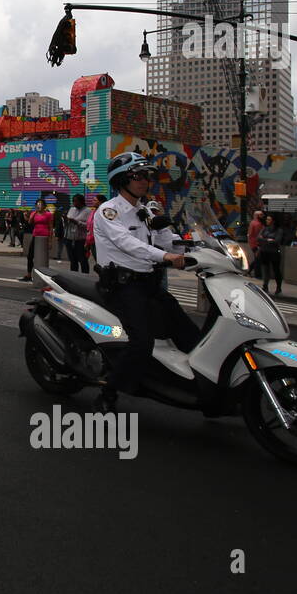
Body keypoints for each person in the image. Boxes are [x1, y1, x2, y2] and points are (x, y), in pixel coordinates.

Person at [92, 153, 199, 411]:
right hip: (123, 286)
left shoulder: (146, 210)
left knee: (189, 332)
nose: (144, 181)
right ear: (121, 180)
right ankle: (109, 391)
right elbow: (128, 244)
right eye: (137, 176)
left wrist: (190, 245)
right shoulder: (108, 211)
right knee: (141, 341)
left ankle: (199, 386)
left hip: (149, 283)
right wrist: (166, 256)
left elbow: (165, 242)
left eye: (146, 176)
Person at [20, 201, 53, 281]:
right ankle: (29, 274)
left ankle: (44, 276)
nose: (39, 206)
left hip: (44, 236)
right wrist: (32, 215)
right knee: (30, 255)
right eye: (37, 204)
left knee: (42, 257)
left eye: (40, 204)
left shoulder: (48, 214)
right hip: (35, 235)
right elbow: (30, 222)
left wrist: (50, 241)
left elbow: (51, 227)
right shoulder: (34, 213)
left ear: (44, 206)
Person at [256, 213, 284, 295]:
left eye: (269, 219)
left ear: (273, 221)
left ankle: (278, 287)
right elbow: (258, 238)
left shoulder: (279, 230)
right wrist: (268, 240)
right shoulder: (265, 229)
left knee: (276, 270)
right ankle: (265, 285)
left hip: (274, 252)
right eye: (267, 219)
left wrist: (264, 239)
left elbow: (276, 241)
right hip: (264, 251)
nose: (267, 221)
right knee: (265, 269)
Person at [64, 194, 92, 273]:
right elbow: (67, 222)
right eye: (73, 201)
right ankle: (74, 277)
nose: (74, 203)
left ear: (81, 202)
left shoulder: (88, 211)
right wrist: (65, 220)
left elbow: (88, 225)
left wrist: (77, 222)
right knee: (73, 260)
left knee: (82, 260)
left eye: (76, 201)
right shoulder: (72, 209)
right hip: (69, 238)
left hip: (80, 239)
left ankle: (85, 277)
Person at [246, 209, 265, 277]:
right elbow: (252, 234)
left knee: (258, 258)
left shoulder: (255, 223)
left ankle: (251, 271)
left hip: (255, 243)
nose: (262, 216)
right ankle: (254, 273)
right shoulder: (256, 224)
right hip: (255, 243)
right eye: (261, 215)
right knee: (258, 258)